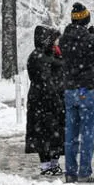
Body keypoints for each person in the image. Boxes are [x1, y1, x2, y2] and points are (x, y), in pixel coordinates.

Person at [60, 2, 94, 183]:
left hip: (69, 91)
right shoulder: (92, 40)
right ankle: (84, 173)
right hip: (86, 92)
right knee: (87, 135)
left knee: (71, 136)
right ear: (87, 20)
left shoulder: (64, 40)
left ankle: (70, 173)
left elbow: (71, 53)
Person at [25, 25, 65, 176]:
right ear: (46, 40)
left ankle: (53, 164)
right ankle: (46, 166)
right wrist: (56, 101)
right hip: (43, 101)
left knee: (55, 133)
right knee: (44, 134)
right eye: (55, 39)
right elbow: (45, 81)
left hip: (52, 100)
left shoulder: (52, 55)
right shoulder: (38, 57)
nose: (57, 42)